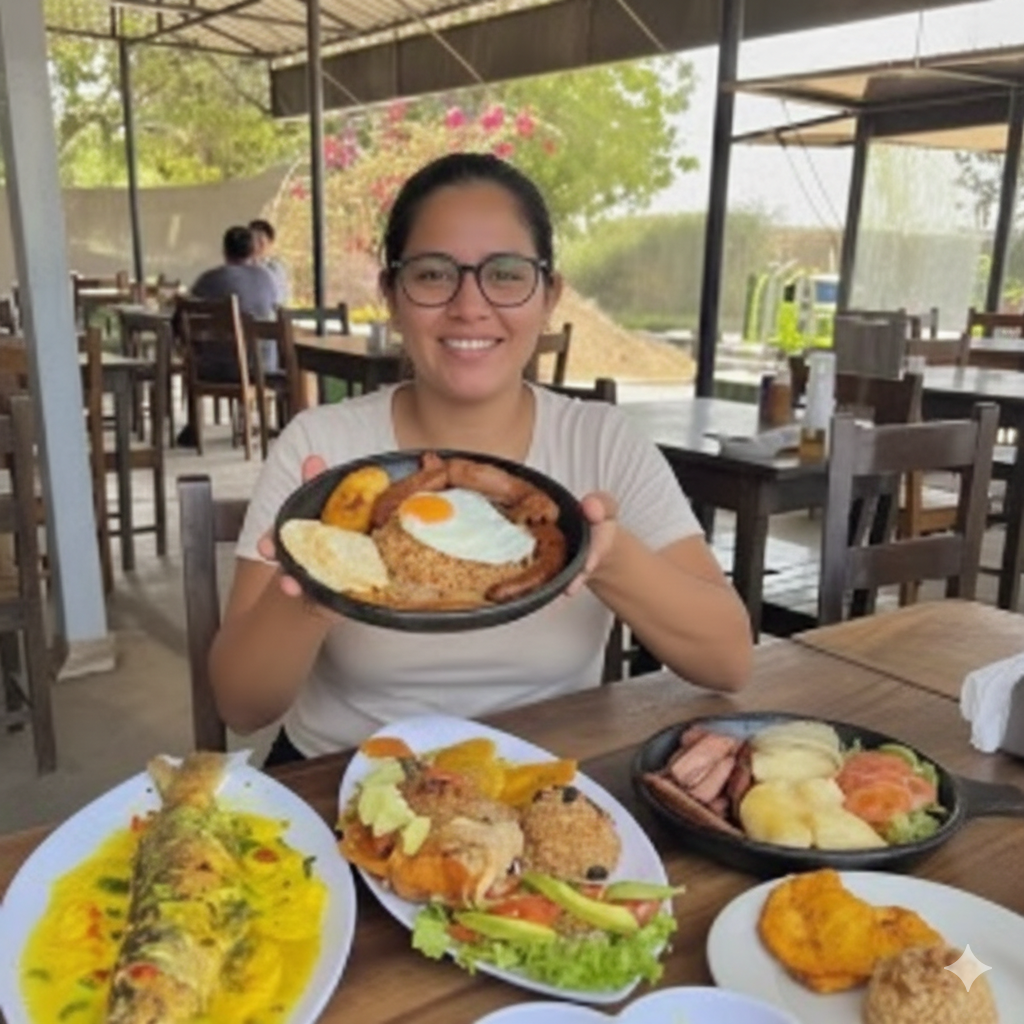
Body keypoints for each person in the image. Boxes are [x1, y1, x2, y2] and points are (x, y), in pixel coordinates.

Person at [211, 153, 753, 765]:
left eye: (506, 274)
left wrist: (608, 556)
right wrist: (311, 586)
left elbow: (728, 661)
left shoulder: (603, 441)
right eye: (432, 274)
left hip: (531, 785)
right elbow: (240, 704)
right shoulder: (320, 446)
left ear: (549, 296)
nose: (469, 305)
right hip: (336, 777)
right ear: (391, 296)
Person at [249, 218, 290, 306]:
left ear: (270, 243)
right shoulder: (242, 265)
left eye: (260, 241)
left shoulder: (275, 268)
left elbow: (280, 298)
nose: (256, 246)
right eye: (253, 240)